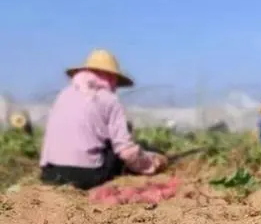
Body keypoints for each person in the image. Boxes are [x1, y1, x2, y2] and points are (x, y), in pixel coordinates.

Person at [39, 49, 167, 191]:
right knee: (119, 152)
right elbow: (126, 152)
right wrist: (152, 164)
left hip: (50, 173)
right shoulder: (110, 100)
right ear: (112, 78)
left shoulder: (63, 95)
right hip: (85, 176)